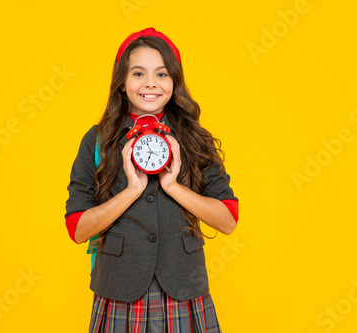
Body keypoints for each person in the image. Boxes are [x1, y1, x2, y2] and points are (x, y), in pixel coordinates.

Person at [65, 27, 238, 332]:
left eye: (161, 74)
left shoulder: (196, 139)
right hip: (119, 289)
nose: (150, 84)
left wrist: (173, 186)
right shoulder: (97, 140)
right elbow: (77, 229)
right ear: (121, 83)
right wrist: (132, 190)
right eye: (138, 73)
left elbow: (228, 220)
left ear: (174, 81)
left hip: (184, 288)